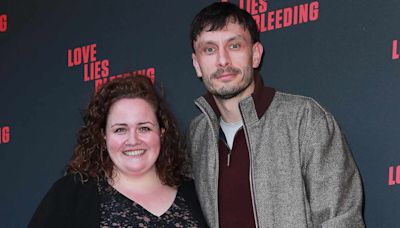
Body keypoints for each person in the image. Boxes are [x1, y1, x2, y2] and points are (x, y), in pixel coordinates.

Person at [188, 2, 365, 228]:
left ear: (255, 54)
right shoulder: (196, 136)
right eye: (209, 49)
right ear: (197, 64)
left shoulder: (305, 120)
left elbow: (342, 220)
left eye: (234, 46)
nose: (223, 61)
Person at [29, 75, 207, 227]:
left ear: (161, 132)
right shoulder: (71, 194)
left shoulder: (195, 193)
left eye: (144, 128)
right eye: (120, 129)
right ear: (103, 135)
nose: (133, 140)